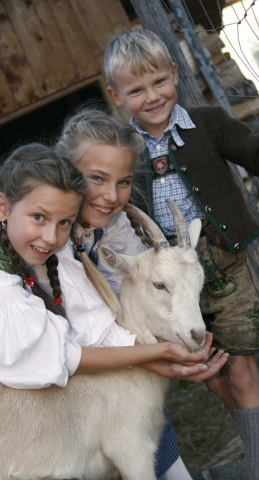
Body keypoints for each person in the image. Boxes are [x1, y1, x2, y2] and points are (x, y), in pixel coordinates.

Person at [0, 142, 225, 390]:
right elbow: (30, 358)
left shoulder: (34, 225)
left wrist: (152, 358)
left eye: (64, 222)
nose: (51, 237)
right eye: (39, 217)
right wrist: (154, 353)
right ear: (1, 207)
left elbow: (89, 321)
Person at [103, 28, 259, 479]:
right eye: (136, 90)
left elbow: (251, 149)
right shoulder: (123, 152)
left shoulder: (206, 123)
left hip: (223, 264)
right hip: (167, 284)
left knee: (244, 367)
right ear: (117, 97)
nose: (152, 97)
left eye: (159, 82)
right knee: (212, 372)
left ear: (175, 74)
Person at [53, 107, 224, 480]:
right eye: (96, 178)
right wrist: (157, 355)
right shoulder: (52, 236)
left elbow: (133, 285)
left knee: (137, 396)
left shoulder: (113, 222)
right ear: (67, 173)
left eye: (124, 181)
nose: (111, 195)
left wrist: (161, 338)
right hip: (50, 372)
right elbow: (88, 329)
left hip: (88, 352)